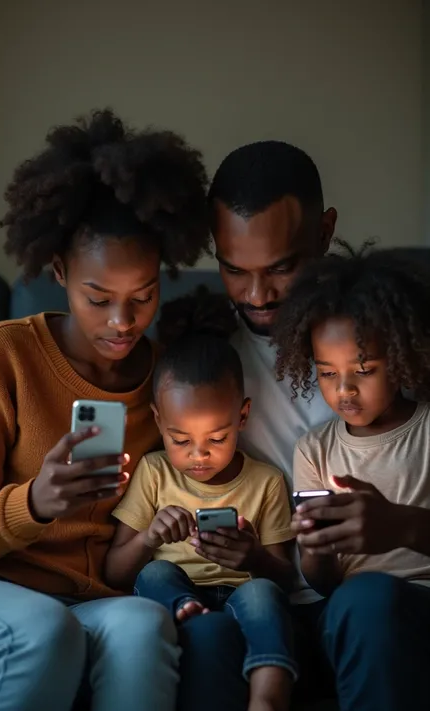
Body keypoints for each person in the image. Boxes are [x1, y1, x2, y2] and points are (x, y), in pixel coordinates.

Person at [0, 108, 213, 711]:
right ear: (60, 273)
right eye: (99, 299)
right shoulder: (7, 354)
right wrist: (34, 503)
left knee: (145, 628)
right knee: (44, 631)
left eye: (143, 296)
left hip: (93, 598)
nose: (123, 323)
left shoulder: (166, 378)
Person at [105, 288, 297, 711]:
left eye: (217, 437)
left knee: (264, 595)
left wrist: (254, 559)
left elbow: (284, 575)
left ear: (242, 417)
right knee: (156, 576)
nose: (198, 455)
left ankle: (268, 694)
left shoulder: (265, 482)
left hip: (243, 591)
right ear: (158, 419)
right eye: (179, 439)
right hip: (178, 590)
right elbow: (117, 571)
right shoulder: (154, 471)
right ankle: (186, 609)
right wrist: (148, 538)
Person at [272, 243, 430, 711]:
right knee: (362, 598)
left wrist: (398, 525)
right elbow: (324, 584)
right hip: (355, 616)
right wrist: (315, 552)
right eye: (326, 373)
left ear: (401, 357)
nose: (343, 390)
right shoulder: (315, 449)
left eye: (364, 370)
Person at [209, 140, 337, 484]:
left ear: (324, 233)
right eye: (234, 270)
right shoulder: (203, 349)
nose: (257, 296)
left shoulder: (392, 338)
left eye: (280, 269)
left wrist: (404, 524)